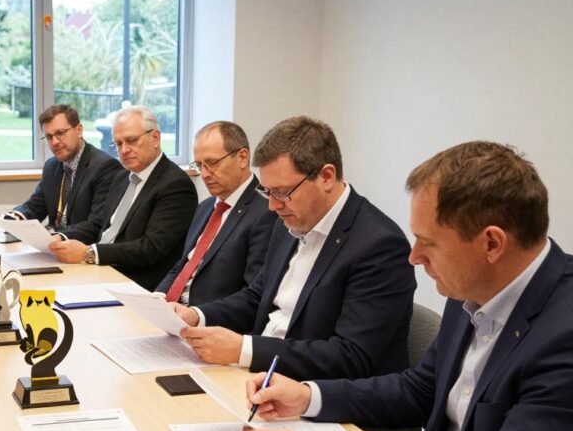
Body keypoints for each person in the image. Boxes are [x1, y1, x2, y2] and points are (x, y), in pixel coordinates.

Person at [243, 141, 573, 431]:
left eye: (428, 243)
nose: (414, 257)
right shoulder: (473, 287)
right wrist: (307, 396)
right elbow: (421, 388)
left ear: (491, 243)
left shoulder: (563, 337)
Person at [172, 116, 414, 382]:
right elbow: (257, 296)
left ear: (326, 176)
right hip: (261, 375)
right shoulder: (290, 221)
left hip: (324, 396)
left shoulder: (379, 245)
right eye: (267, 192)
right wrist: (197, 315)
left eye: (282, 192)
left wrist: (244, 349)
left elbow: (350, 356)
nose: (273, 206)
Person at [49, 105, 197, 290]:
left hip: (134, 282)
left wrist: (89, 253)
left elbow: (150, 249)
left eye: (132, 140)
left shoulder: (175, 185)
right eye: (118, 144)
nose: (124, 150)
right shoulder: (122, 177)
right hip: (99, 269)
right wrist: (59, 238)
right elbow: (98, 225)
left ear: (156, 138)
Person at [155, 121, 276, 306]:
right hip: (172, 313)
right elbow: (183, 265)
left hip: (209, 321)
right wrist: (156, 299)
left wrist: (196, 316)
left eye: (212, 163)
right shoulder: (205, 207)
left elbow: (252, 295)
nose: (204, 174)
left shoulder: (266, 211)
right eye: (199, 165)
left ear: (243, 157)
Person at [4, 104, 122, 230]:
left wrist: (59, 237)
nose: (54, 142)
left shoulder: (105, 167)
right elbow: (36, 205)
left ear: (79, 130)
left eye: (60, 133)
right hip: (53, 243)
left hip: (80, 245)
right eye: (49, 137)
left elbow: (96, 224)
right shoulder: (51, 166)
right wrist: (16, 217)